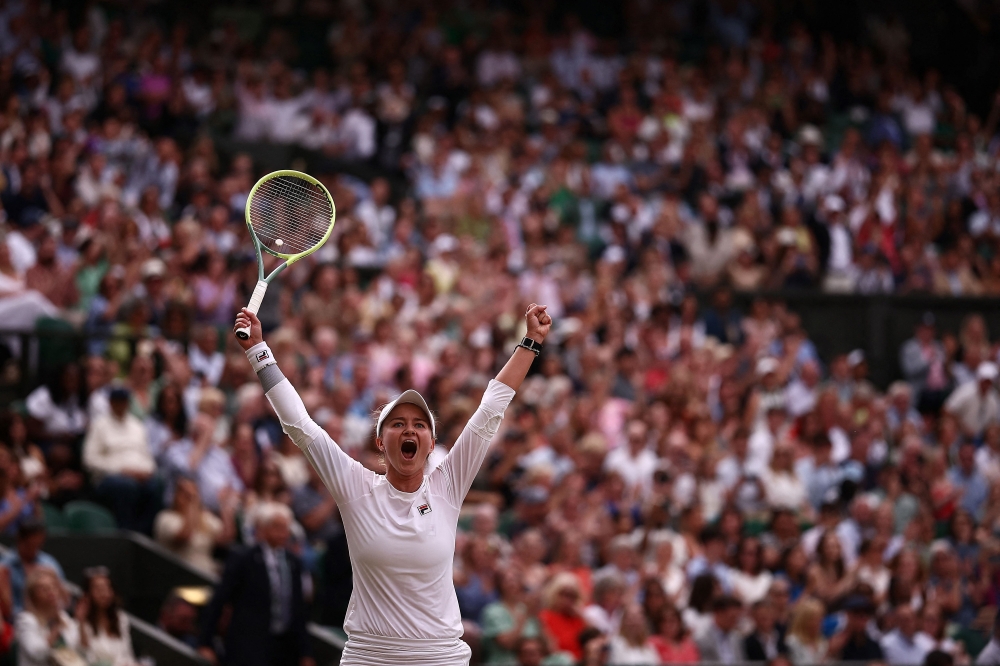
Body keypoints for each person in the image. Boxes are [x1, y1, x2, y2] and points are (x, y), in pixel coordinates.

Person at [230, 301, 552, 665]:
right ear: (381, 442)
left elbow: (491, 409)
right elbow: (299, 424)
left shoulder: (448, 485)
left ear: (431, 442)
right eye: (397, 423)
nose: (409, 429)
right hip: (369, 657)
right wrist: (259, 350)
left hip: (439, 658)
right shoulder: (354, 486)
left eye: (419, 424)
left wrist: (531, 341)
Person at [197, 502, 312, 666]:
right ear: (263, 528)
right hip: (248, 645)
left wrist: (305, 653)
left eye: (285, 528)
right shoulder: (244, 558)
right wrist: (204, 643)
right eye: (277, 527)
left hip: (283, 648)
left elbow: (298, 609)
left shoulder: (293, 562)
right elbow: (219, 600)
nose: (283, 533)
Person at [82, 386, 160, 533]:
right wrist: (122, 470)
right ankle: (125, 533)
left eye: (124, 401)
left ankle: (144, 534)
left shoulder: (137, 425)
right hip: (109, 477)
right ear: (111, 403)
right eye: (117, 401)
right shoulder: (100, 425)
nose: (121, 404)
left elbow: (148, 456)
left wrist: (147, 471)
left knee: (155, 485)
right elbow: (89, 459)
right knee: (126, 486)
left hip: (139, 474)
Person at [154, 476, 235, 575]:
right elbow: (184, 537)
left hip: (206, 574)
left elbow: (226, 539)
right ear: (175, 495)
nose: (188, 498)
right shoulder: (165, 518)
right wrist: (193, 503)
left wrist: (225, 505)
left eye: (193, 494)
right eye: (184, 494)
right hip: (177, 575)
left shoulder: (205, 518)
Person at [15, 567, 82, 666]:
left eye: (54, 587)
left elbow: (75, 647)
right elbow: (37, 653)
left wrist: (80, 621)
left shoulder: (63, 617)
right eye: (44, 588)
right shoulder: (26, 620)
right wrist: (55, 631)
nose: (51, 592)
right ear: (32, 595)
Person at [1, 520, 65, 614]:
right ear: (20, 540)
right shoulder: (4, 565)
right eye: (30, 545)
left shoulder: (49, 563)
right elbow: (7, 607)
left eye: (38, 545)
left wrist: (53, 577)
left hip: (49, 620)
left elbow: (64, 600)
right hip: (17, 619)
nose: (34, 550)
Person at [75, 567, 135, 666]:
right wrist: (81, 623)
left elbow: (128, 654)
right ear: (88, 594)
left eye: (108, 588)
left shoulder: (121, 618)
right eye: (98, 589)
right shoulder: (82, 622)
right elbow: (84, 655)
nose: (104, 593)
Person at [694, 595, 745, 664]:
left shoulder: (736, 637)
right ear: (719, 613)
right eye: (732, 617)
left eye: (737, 618)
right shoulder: (701, 637)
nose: (735, 621)